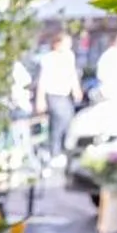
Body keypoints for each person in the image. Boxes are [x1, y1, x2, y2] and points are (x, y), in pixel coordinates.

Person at [36, 32, 82, 160]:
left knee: (69, 119)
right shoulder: (48, 59)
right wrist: (40, 99)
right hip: (53, 94)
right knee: (59, 120)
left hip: (65, 94)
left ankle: (63, 147)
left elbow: (72, 74)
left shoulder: (69, 57)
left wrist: (76, 89)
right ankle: (54, 151)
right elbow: (42, 80)